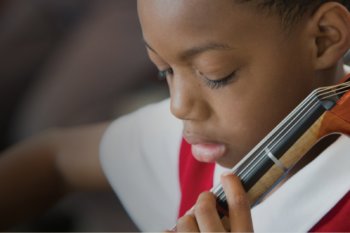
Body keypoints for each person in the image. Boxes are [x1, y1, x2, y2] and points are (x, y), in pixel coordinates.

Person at [1, 0, 350, 232]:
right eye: (163, 71)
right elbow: (56, 158)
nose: (178, 106)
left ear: (323, 39)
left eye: (216, 74)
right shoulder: (196, 145)